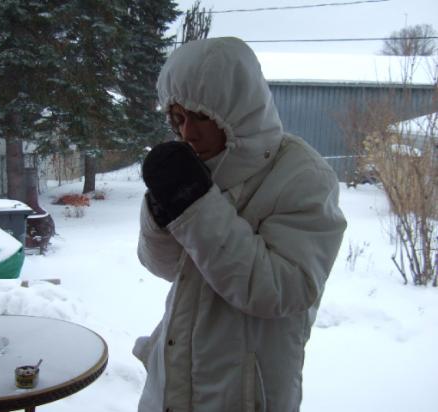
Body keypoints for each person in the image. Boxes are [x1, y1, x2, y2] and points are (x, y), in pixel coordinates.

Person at [133, 37, 347, 412]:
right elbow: (165, 267)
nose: (188, 133)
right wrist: (160, 212)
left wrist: (195, 206)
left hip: (245, 391)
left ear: (238, 109)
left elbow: (283, 289)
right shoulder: (199, 168)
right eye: (178, 118)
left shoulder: (303, 176)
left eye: (201, 116)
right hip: (175, 377)